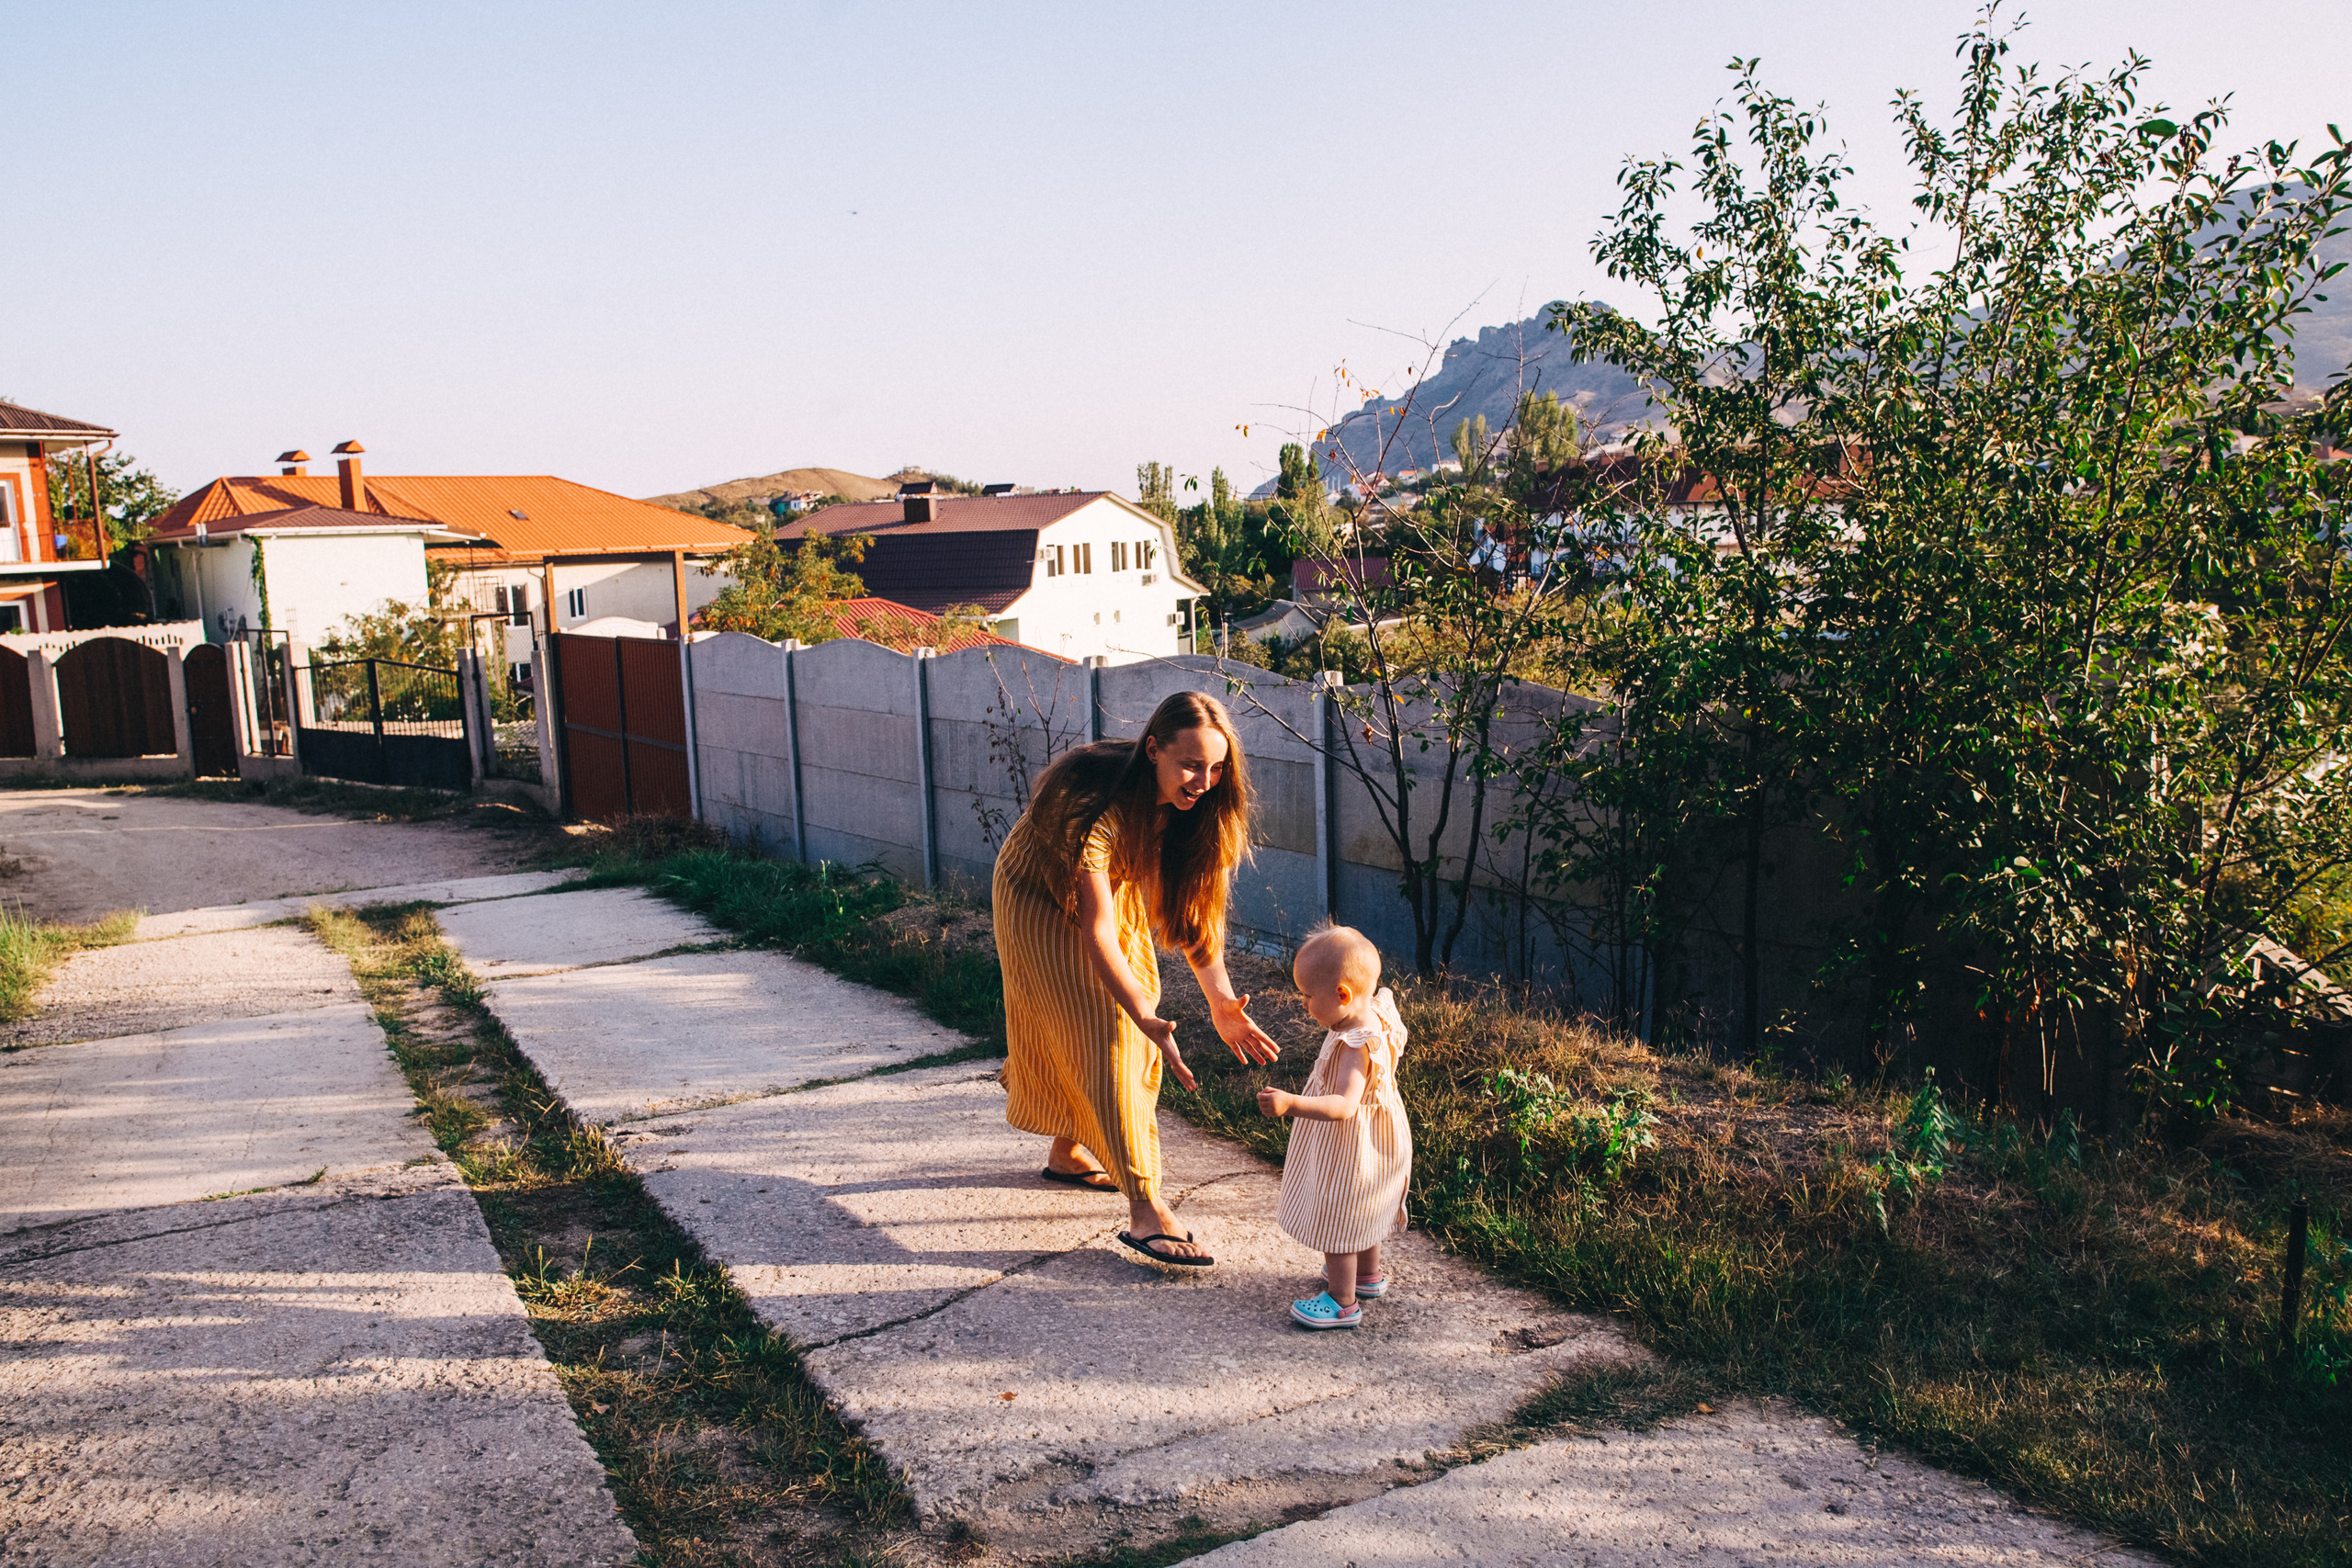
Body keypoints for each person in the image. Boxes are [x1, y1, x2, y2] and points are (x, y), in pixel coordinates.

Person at [992, 690, 1281, 1269]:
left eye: (1217, 767)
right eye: (1191, 764)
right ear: (1154, 750)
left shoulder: (1199, 811)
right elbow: (1098, 932)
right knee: (1108, 1027)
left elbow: (1193, 916)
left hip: (1100, 888)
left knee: (1127, 1010)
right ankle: (1146, 1205)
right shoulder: (1094, 807)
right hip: (1033, 891)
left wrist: (1222, 1002)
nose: (1204, 780)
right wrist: (1143, 1017)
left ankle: (1069, 1151)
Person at [1256, 924, 1411, 1329]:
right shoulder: (1375, 1010)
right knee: (1365, 1205)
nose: (1304, 1003)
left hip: (1350, 1143)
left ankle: (1342, 1302)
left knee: (1338, 1213)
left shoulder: (1354, 1045)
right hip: (1379, 1137)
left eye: (1308, 996)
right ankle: (1367, 1276)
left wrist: (1291, 1103)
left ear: (1343, 995)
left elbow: (1344, 1105)